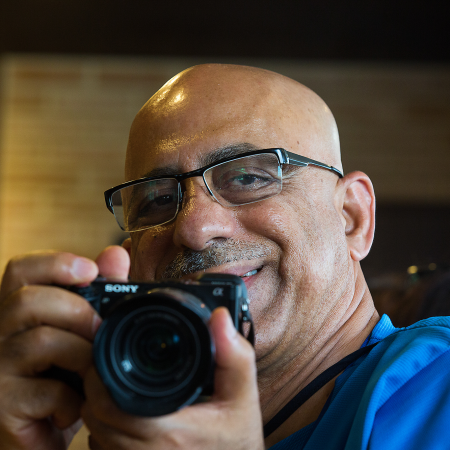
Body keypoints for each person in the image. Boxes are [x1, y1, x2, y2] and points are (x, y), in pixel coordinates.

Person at [0, 64, 449, 450]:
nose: (193, 229)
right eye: (157, 200)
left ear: (352, 218)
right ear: (130, 258)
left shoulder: (435, 382)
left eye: (248, 177)